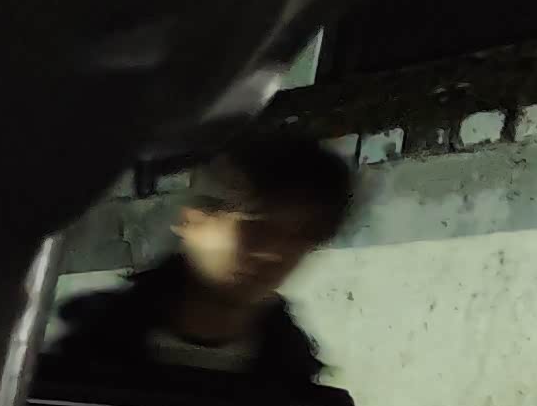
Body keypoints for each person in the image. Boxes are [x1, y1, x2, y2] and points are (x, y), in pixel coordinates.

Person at [42, 125, 356, 387]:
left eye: (303, 236)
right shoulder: (84, 353)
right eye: (257, 227)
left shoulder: (292, 378)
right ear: (192, 220)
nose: (276, 253)